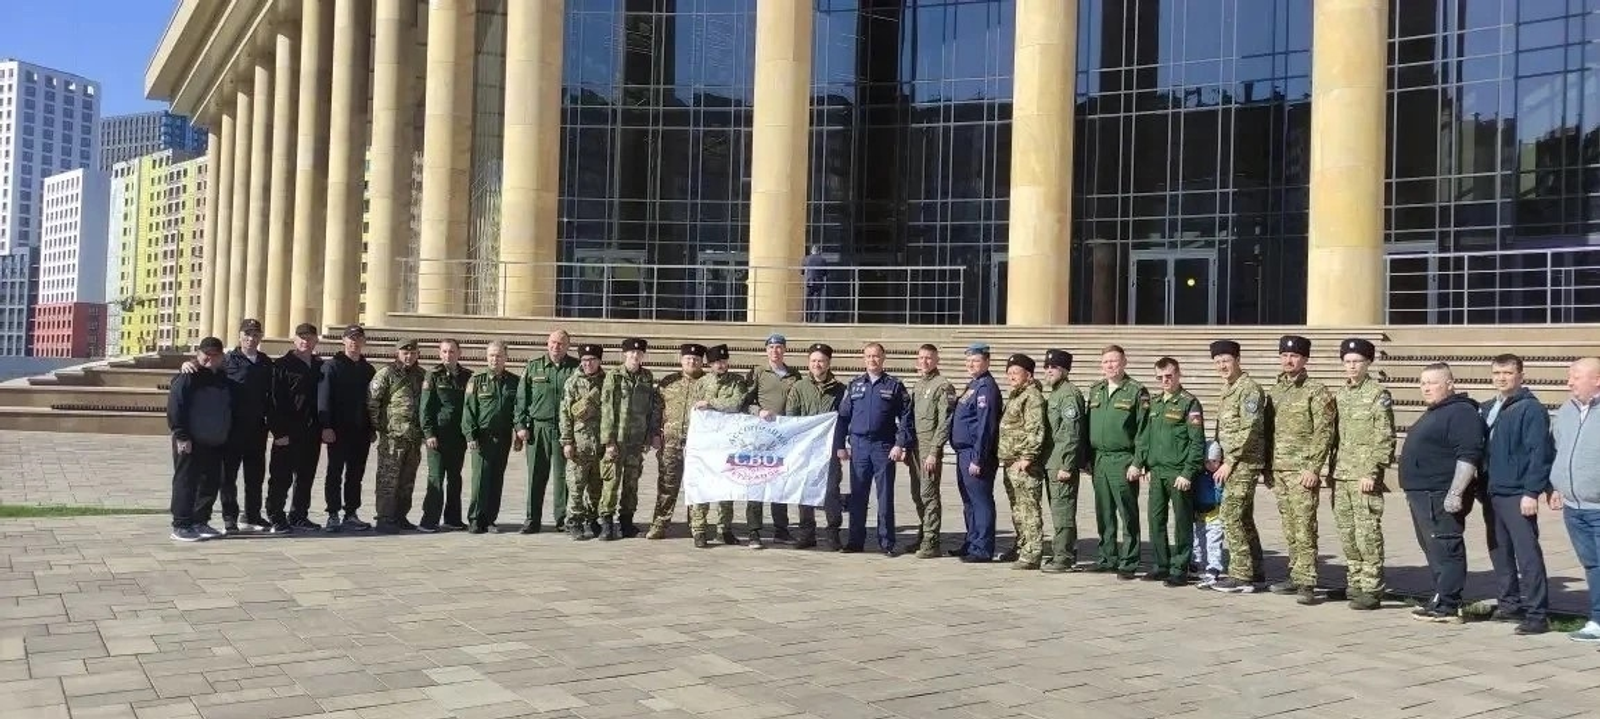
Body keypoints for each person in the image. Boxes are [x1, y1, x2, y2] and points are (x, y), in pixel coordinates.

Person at [1399, 362, 1484, 624]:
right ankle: (1441, 596)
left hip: (1439, 493)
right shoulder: (1437, 411)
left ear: (1450, 383)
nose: (1426, 388)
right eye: (1423, 383)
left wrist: (1456, 492)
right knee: (1433, 548)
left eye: (1433, 383)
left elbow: (1468, 455)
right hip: (1422, 493)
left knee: (1446, 546)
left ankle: (1449, 604)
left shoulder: (1460, 412)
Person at [1478, 353, 1553, 635]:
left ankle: (1537, 614)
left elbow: (1539, 453)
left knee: (1527, 554)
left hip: (1517, 493)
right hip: (1492, 491)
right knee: (1500, 551)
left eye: (1508, 373)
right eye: (1497, 373)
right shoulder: (1489, 408)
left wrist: (1532, 492)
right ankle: (1509, 604)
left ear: (1521, 375)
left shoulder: (1530, 409)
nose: (1501, 378)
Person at [1266, 334, 1336, 605]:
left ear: (1305, 359)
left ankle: (1307, 581)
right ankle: (1295, 575)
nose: (1288, 360)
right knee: (1289, 526)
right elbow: (1268, 432)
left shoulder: (1315, 390)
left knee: (1305, 525)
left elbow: (1324, 430)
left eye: (1294, 355)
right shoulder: (1276, 390)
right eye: (1284, 355)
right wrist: (1269, 467)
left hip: (1302, 471)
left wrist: (1314, 467)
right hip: (1280, 469)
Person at [1330, 337, 1395, 611]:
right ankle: (1354, 582)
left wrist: (1372, 471)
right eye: (1347, 362)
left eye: (1357, 361)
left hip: (1364, 477)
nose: (1352, 366)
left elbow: (1385, 437)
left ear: (1368, 363)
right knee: (1347, 533)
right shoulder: (1341, 394)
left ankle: (1371, 588)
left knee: (1367, 533)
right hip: (1342, 473)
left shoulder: (1378, 395)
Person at [836, 342, 915, 556]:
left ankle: (887, 543)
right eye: (869, 356)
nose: (873, 360)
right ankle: (855, 541)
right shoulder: (854, 385)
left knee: (885, 496)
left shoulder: (894, 385)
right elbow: (843, 418)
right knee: (858, 496)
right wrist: (840, 445)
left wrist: (900, 444)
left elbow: (906, 418)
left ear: (883, 358)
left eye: (876, 356)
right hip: (859, 447)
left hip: (884, 447)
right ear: (864, 359)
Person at [1208, 339, 1267, 593]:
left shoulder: (1249, 388)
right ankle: (1255, 569)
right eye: (1218, 361)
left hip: (1244, 463)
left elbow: (1250, 429)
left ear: (1238, 360)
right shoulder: (1228, 388)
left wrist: (1230, 462)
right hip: (1231, 462)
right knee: (1243, 517)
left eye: (1227, 360)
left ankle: (1241, 574)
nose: (1222, 365)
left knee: (1230, 515)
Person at [1086, 345, 1149, 579]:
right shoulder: (1096, 390)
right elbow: (1086, 425)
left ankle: (1129, 560)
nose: (1110, 366)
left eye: (1114, 361)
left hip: (1123, 458)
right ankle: (1107, 556)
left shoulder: (1135, 391)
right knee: (1103, 511)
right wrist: (1086, 458)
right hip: (1099, 458)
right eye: (1106, 362)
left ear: (1124, 362)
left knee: (1127, 512)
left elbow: (1143, 431)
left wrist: (1138, 462)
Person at [1140, 357, 1204, 587]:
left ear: (1178, 374)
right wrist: (1146, 464)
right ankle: (1161, 565)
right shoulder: (1155, 403)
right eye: (1160, 377)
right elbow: (1148, 437)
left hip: (1178, 473)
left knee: (1182, 522)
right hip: (1157, 472)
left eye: (1169, 376)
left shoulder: (1189, 403)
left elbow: (1197, 443)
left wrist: (1188, 473)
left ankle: (1180, 567)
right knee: (1155, 519)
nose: (1165, 381)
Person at [1550, 357, 1600, 642]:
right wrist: (1557, 485)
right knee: (1592, 565)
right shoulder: (1566, 411)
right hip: (1574, 507)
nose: (1569, 382)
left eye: (1576, 377)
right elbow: (1559, 449)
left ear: (1597, 380)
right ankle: (1597, 619)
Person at [167, 337, 233, 542]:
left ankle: (200, 521)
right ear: (198, 355)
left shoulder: (222, 377)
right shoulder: (188, 375)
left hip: (215, 440)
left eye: (215, 354)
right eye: (206, 354)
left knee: (210, 482)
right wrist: (181, 435)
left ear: (222, 356)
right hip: (190, 440)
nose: (210, 358)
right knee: (186, 481)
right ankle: (181, 524)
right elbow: (175, 406)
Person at [784, 343, 847, 550]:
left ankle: (832, 532)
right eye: (813, 361)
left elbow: (844, 420)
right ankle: (807, 532)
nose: (817, 364)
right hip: (805, 450)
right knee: (805, 490)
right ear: (808, 363)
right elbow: (791, 418)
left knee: (831, 492)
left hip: (829, 451)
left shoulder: (840, 390)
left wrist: (840, 445)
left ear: (828, 363)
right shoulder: (799, 388)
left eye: (821, 361)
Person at [515, 329, 579, 533]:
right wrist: (521, 425)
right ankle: (532, 519)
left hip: (564, 430)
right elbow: (521, 399)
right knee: (536, 475)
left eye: (561, 343)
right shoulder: (534, 367)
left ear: (568, 346)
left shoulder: (576, 368)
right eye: (553, 342)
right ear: (547, 343)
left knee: (564, 477)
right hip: (538, 428)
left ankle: (563, 519)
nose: (556, 346)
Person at [600, 338, 661, 540]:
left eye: (639, 354)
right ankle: (607, 522)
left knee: (631, 482)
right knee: (611, 481)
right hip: (617, 439)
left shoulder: (646, 377)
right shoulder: (614, 376)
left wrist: (650, 434)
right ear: (624, 354)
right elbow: (607, 409)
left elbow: (651, 408)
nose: (636, 356)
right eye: (632, 353)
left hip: (636, 440)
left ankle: (626, 521)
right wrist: (608, 441)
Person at [265, 323, 324, 533]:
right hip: (287, 432)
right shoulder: (281, 365)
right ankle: (276, 516)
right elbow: (272, 401)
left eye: (309, 337)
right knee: (281, 476)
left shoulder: (319, 366)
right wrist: (278, 432)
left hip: (312, 432)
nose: (305, 341)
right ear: (294, 340)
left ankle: (299, 515)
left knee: (305, 476)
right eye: (301, 337)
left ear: (316, 340)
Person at [217, 318, 273, 534]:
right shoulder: (228, 360)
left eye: (255, 335)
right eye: (247, 334)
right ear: (240, 336)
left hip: (257, 429)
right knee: (228, 476)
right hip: (232, 430)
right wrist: (188, 364)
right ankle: (230, 517)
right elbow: (206, 374)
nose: (251, 338)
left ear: (260, 338)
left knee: (255, 476)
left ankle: (253, 515)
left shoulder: (266, 362)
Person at [319, 324, 376, 533]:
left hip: (360, 431)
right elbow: (324, 399)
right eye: (351, 338)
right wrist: (326, 426)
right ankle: (332, 514)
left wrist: (372, 428)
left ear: (363, 342)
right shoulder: (332, 366)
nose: (354, 342)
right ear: (343, 341)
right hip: (338, 430)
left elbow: (372, 402)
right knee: (334, 471)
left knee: (355, 474)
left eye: (358, 338)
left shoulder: (367, 369)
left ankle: (351, 513)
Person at [648, 343, 709, 541]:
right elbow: (657, 410)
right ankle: (660, 523)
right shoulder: (669, 382)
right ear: (681, 360)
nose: (692, 361)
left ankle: (698, 526)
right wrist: (655, 434)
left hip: (698, 444)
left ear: (702, 362)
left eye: (696, 359)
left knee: (698, 485)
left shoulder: (709, 383)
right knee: (667, 484)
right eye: (688, 358)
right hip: (671, 442)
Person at [368, 339, 427, 533]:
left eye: (412, 353)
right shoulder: (386, 374)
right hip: (392, 439)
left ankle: (400, 516)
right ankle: (385, 518)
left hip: (413, 437)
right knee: (388, 480)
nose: (408, 356)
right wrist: (382, 428)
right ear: (398, 353)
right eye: (404, 353)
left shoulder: (421, 376)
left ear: (418, 354)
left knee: (407, 480)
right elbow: (372, 402)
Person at [463, 340, 521, 534]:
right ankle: (475, 518)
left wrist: (519, 434)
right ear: (486, 357)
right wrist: (470, 435)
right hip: (482, 437)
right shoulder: (477, 380)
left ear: (506, 358)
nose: (494, 359)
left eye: (498, 356)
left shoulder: (514, 381)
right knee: (480, 479)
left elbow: (518, 410)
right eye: (491, 356)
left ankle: (490, 519)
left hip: (503, 437)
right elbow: (469, 410)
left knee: (496, 479)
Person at [747, 334, 800, 546]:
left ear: (785, 350)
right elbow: (746, 401)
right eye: (771, 347)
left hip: (784, 437)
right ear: (766, 350)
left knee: (781, 483)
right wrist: (758, 411)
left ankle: (781, 529)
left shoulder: (794, 375)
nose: (775, 351)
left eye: (779, 347)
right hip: (760, 437)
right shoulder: (758, 373)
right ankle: (754, 531)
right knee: (757, 483)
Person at [949, 343, 1001, 562]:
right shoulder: (973, 384)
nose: (971, 364)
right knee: (969, 501)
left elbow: (985, 426)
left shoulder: (986, 388)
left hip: (975, 454)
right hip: (963, 453)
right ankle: (971, 542)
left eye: (976, 360)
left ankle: (982, 548)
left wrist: (978, 457)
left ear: (987, 362)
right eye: (968, 361)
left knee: (980, 501)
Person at [691, 344, 745, 546]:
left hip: (728, 443)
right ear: (710, 364)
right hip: (706, 443)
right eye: (715, 362)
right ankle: (699, 529)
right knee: (703, 486)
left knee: (726, 487)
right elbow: (695, 409)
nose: (720, 365)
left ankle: (725, 529)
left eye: (723, 361)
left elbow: (736, 404)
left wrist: (711, 403)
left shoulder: (737, 382)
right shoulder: (702, 383)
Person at [419, 339, 473, 532]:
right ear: (439, 353)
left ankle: (453, 518)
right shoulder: (433, 375)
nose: (448, 355)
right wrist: (428, 433)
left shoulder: (467, 376)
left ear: (459, 353)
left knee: (455, 478)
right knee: (436, 478)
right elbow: (425, 408)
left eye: (451, 351)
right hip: (438, 437)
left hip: (457, 437)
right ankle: (429, 520)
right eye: (444, 352)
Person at [998, 354, 1046, 570]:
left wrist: (1027, 457)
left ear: (1028, 374)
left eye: (1015, 373)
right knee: (1018, 509)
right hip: (1011, 462)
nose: (1011, 377)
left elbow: (1035, 429)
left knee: (1029, 509)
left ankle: (1033, 552)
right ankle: (1021, 545)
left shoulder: (1032, 396)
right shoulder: (1016, 395)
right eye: (1009, 373)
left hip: (1024, 464)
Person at [1040, 349, 1086, 573]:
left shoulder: (1068, 394)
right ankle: (1065, 552)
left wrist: (1067, 464)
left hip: (1061, 464)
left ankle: (1063, 557)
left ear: (1065, 370)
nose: (1049, 371)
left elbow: (1072, 432)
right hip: (1052, 461)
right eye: (1047, 367)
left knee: (1063, 512)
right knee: (1059, 510)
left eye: (1054, 367)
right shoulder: (1057, 393)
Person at [908, 344, 956, 558]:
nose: (924, 362)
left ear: (937, 360)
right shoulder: (918, 386)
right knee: (917, 494)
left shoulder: (943, 386)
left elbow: (945, 421)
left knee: (929, 495)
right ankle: (922, 532)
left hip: (929, 449)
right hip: (915, 449)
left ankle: (931, 540)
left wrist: (934, 451)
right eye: (921, 358)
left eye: (929, 358)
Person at [560, 343, 608, 541]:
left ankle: (592, 519)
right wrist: (567, 441)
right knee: (576, 485)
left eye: (592, 360)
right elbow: (564, 413)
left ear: (599, 361)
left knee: (597, 487)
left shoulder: (607, 381)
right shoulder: (572, 382)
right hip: (579, 443)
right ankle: (574, 521)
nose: (588, 364)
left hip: (600, 443)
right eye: (584, 361)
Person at [1193, 441, 1227, 588]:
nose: (1211, 464)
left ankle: (1214, 568)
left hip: (1215, 515)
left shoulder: (1220, 476)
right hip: (1199, 514)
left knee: (1213, 543)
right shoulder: (1199, 475)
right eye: (1207, 461)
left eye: (1214, 461)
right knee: (1197, 541)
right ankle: (1197, 563)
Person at [802, 245, 828, 322]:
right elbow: (825, 273)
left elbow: (802, 272)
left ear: (811, 251)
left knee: (807, 300)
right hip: (818, 283)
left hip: (809, 282)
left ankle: (806, 318)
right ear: (819, 251)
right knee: (816, 302)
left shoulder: (806, 259)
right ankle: (815, 320)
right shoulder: (822, 260)